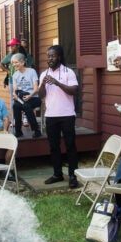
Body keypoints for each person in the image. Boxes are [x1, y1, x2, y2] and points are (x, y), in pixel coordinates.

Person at [37, 45, 80, 189]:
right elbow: (41, 95)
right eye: (48, 56)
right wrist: (43, 84)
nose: (50, 59)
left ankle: (73, 176)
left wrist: (57, 82)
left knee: (70, 146)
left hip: (67, 115)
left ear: (59, 57)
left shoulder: (69, 72)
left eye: (53, 56)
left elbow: (74, 91)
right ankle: (57, 174)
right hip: (51, 115)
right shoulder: (44, 74)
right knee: (54, 147)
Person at [11, 52, 42, 137]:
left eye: (16, 62)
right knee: (15, 106)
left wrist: (30, 96)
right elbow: (15, 89)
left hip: (33, 97)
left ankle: (36, 130)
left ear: (23, 62)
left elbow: (36, 88)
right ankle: (18, 131)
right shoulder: (15, 75)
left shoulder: (32, 71)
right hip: (22, 98)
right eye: (13, 63)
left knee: (26, 106)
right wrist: (15, 95)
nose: (14, 64)